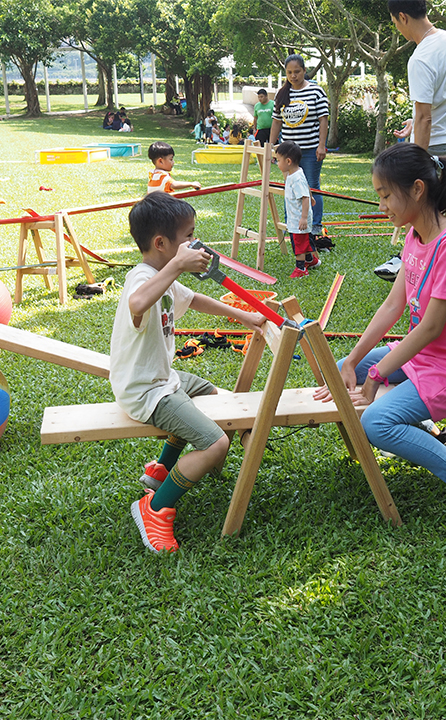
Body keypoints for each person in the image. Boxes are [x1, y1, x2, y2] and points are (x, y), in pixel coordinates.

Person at [314, 143, 446, 539]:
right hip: (432, 356)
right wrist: (355, 361)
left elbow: (429, 329)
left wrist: (377, 375)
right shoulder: (415, 237)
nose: (383, 204)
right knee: (340, 369)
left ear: (418, 189)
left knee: (376, 420)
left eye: (386, 195)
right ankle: (427, 429)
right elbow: (392, 306)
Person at [111, 192, 266, 552]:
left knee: (212, 395)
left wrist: (243, 316)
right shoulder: (141, 279)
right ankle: (157, 506)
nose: (195, 245)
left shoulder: (160, 275)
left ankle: (162, 469)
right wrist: (177, 266)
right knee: (216, 443)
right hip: (146, 390)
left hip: (163, 378)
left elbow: (192, 299)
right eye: (188, 238)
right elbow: (137, 303)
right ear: (162, 244)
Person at [389, 0, 446, 162]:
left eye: (394, 22)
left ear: (403, 17)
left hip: (435, 145)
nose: (397, 28)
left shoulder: (420, 57)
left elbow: (424, 118)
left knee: (422, 186)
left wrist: (417, 162)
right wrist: (415, 123)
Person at [269, 54, 330, 244]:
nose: (293, 76)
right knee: (291, 188)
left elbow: (323, 120)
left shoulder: (316, 91)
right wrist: (271, 146)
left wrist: (321, 145)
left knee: (311, 186)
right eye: (289, 72)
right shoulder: (282, 94)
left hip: (311, 149)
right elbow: (276, 122)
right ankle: (294, 227)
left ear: (304, 71)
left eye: (297, 72)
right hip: (288, 152)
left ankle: (314, 228)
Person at [275, 140, 320, 278]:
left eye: (278, 160)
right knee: (304, 240)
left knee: (299, 243)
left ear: (288, 161)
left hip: (299, 218)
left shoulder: (296, 178)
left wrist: (304, 218)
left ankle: (301, 269)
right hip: (296, 216)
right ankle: (311, 260)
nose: (277, 163)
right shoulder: (294, 173)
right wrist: (311, 196)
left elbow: (304, 197)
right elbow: (306, 188)